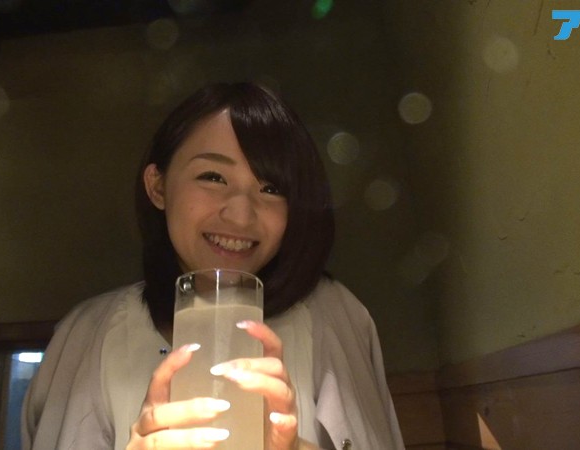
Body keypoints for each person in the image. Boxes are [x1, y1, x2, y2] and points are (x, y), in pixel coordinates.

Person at [21, 82, 405, 450]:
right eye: (213, 177)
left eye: (271, 188)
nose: (240, 215)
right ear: (158, 186)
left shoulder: (333, 314)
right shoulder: (86, 332)